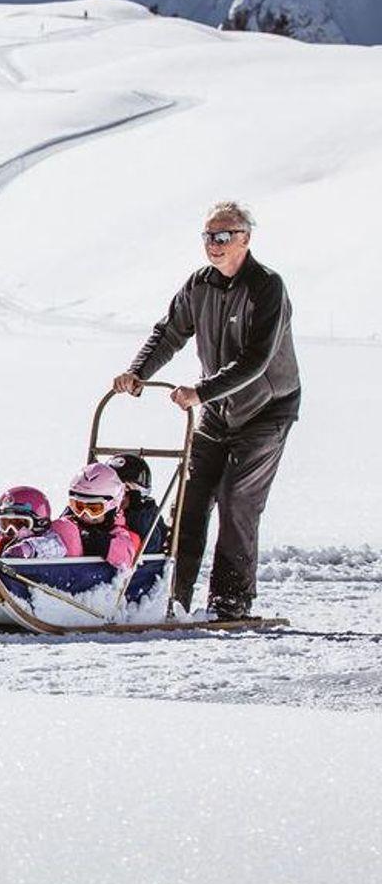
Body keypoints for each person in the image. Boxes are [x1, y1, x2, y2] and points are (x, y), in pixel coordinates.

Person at [111, 200, 299, 618]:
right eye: (208, 236)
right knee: (190, 500)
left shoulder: (267, 286)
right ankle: (169, 597)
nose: (214, 243)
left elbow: (257, 360)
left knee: (237, 500)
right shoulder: (200, 284)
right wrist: (138, 372)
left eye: (223, 235)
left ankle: (230, 603)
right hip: (218, 410)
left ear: (245, 239)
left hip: (266, 410)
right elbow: (169, 332)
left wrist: (200, 391)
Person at [57, 462, 142, 569]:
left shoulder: (116, 532)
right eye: (78, 506)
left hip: (95, 576)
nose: (85, 514)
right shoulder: (70, 524)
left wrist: (102, 543)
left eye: (93, 508)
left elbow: (126, 556)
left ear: (112, 507)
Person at [0, 486, 72, 559]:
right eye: (5, 523)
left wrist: (27, 549)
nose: (11, 529)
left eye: (19, 523)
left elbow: (55, 547)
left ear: (40, 523)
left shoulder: (48, 538)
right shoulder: (5, 538)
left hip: (39, 575)